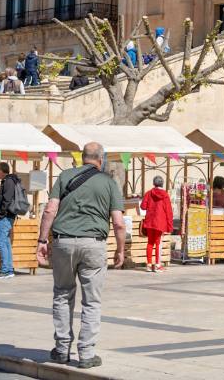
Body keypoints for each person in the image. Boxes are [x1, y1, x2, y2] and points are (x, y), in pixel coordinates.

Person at [40, 141, 130, 368]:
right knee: (91, 301)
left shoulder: (64, 176)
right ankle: (86, 354)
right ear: (101, 159)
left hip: (63, 242)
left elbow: (50, 209)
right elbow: (119, 223)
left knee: (62, 294)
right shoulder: (109, 183)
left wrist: (42, 240)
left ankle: (61, 349)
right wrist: (120, 250)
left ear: (82, 158)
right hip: (94, 244)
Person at [0, 161, 28, 279]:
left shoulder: (8, 181)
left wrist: (1, 212)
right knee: (6, 243)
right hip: (9, 215)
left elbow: (7, 199)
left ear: (1, 171)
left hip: (5, 216)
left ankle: (5, 270)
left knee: (1, 243)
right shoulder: (11, 180)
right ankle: (8, 269)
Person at [139, 175, 174, 272]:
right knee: (158, 243)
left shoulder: (148, 193)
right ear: (162, 184)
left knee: (150, 242)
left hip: (150, 221)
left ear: (154, 183)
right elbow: (168, 211)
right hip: (160, 222)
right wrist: (170, 225)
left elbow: (142, 207)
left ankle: (149, 265)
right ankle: (158, 265)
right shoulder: (165, 195)